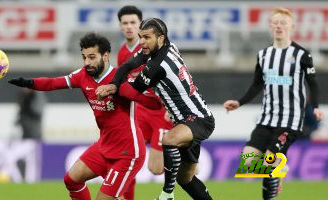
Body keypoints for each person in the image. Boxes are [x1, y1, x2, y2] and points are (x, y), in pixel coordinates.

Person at [8, 32, 163, 200]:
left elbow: (154, 104)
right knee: (72, 180)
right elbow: (53, 83)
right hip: (104, 146)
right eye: (84, 57)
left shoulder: (120, 79)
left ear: (105, 56)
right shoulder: (82, 76)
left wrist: (128, 92)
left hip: (128, 152)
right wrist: (29, 83)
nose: (87, 62)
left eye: (91, 57)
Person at [96, 18, 215, 200]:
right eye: (140, 37)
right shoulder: (168, 47)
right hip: (187, 120)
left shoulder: (156, 66)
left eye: (147, 37)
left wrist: (115, 87)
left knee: (168, 139)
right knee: (186, 178)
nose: (142, 42)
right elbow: (128, 65)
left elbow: (131, 91)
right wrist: (115, 83)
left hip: (197, 119)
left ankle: (167, 194)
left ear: (160, 39)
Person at [223, 8, 324, 200]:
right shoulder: (264, 55)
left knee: (269, 162)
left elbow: (313, 83)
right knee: (249, 160)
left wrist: (316, 107)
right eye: (275, 22)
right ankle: (281, 167)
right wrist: (239, 102)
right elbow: (257, 84)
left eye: (283, 23)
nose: (279, 26)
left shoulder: (302, 54)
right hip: (267, 118)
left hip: (290, 120)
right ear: (270, 26)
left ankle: (273, 179)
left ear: (291, 27)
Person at [117, 6, 173, 200]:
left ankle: (185, 155)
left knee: (155, 168)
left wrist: (171, 106)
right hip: (138, 111)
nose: (129, 27)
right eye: (125, 23)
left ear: (140, 25)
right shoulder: (122, 53)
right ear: (120, 26)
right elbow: (124, 85)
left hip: (159, 110)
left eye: (133, 22)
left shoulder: (153, 47)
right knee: (127, 156)